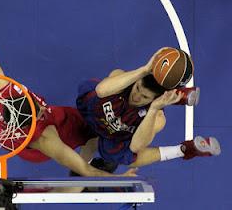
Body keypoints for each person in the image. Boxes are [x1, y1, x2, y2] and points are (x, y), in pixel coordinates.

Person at [0, 0, 137, 178]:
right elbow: (84, 169)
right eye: (39, 111)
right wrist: (119, 178)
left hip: (7, 130)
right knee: (94, 138)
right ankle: (87, 164)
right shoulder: (46, 139)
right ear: (35, 117)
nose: (42, 109)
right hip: (37, 148)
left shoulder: (2, 91)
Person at [76, 52, 221, 170]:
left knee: (123, 155)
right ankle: (179, 95)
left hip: (114, 136)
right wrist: (145, 70)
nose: (136, 96)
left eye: (144, 97)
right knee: (92, 95)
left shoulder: (158, 118)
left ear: (153, 99)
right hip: (92, 112)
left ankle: (183, 149)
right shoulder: (123, 78)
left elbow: (136, 146)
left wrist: (153, 109)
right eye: (137, 88)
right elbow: (101, 90)